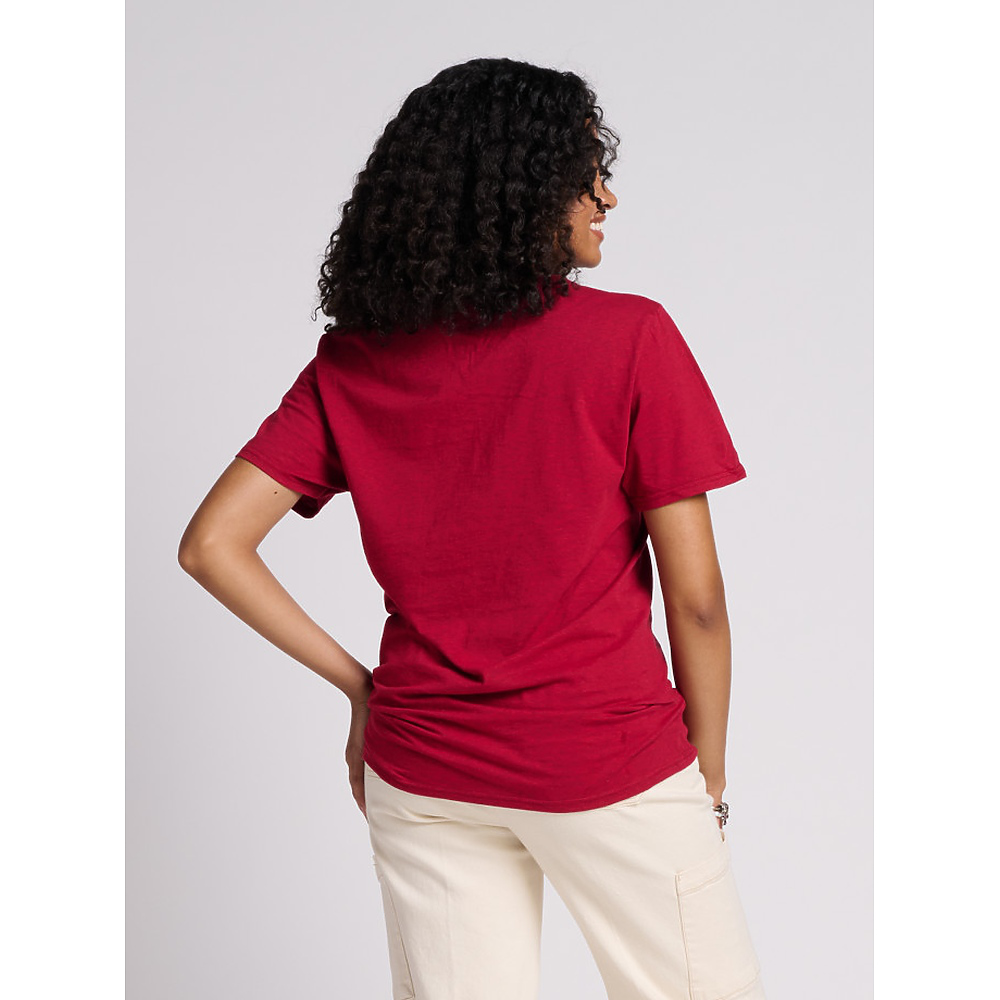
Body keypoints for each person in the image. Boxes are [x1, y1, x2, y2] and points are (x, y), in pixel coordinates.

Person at [179, 57, 767, 1000]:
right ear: (520, 190)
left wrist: (362, 691)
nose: (606, 196)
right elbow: (696, 600)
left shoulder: (353, 361)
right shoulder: (630, 340)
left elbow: (212, 545)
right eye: (584, 173)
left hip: (425, 771)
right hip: (609, 757)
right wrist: (710, 773)